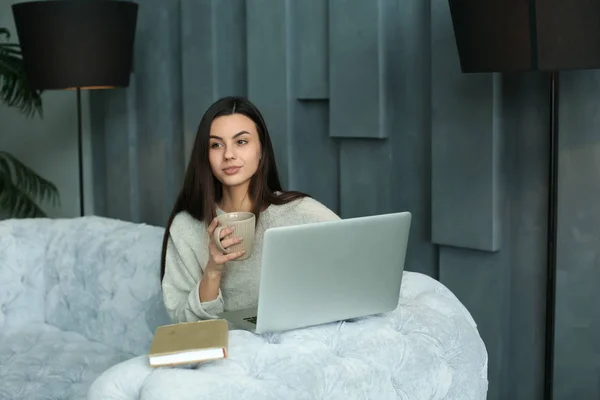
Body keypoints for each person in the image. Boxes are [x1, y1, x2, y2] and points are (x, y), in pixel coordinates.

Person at [160, 96, 340, 323]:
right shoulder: (187, 226)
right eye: (216, 144)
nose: (229, 155)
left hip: (294, 341)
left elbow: (352, 261)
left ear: (262, 150)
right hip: (227, 348)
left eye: (241, 142)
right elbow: (184, 324)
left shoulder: (299, 211)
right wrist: (213, 270)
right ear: (205, 156)